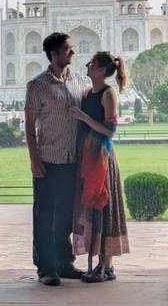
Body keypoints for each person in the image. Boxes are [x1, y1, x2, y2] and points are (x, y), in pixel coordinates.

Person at [25, 32, 86, 286]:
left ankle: (65, 263)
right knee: (45, 216)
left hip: (73, 159)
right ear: (54, 54)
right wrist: (34, 159)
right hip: (48, 159)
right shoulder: (37, 85)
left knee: (66, 215)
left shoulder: (78, 80)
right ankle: (46, 268)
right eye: (67, 50)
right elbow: (29, 127)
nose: (72, 53)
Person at [69, 52, 130, 282]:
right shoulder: (87, 92)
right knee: (92, 210)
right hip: (88, 156)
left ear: (102, 70)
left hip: (102, 158)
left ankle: (107, 266)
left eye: (92, 64)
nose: (88, 65)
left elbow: (111, 130)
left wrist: (83, 118)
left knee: (104, 207)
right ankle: (98, 265)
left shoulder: (108, 94)